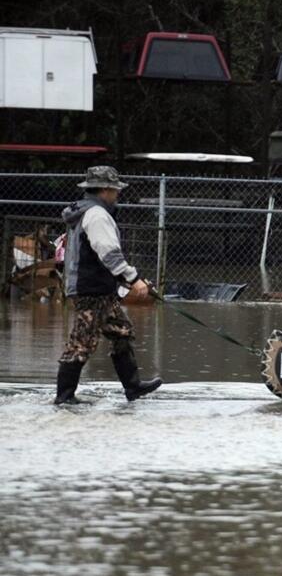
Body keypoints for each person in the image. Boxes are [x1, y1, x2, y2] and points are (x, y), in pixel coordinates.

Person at [54, 166, 162, 405]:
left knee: (121, 332)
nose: (117, 194)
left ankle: (133, 387)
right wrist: (134, 279)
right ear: (104, 190)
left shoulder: (87, 212)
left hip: (98, 288)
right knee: (81, 343)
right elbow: (109, 254)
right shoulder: (97, 216)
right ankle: (64, 397)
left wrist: (126, 279)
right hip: (91, 289)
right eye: (115, 190)